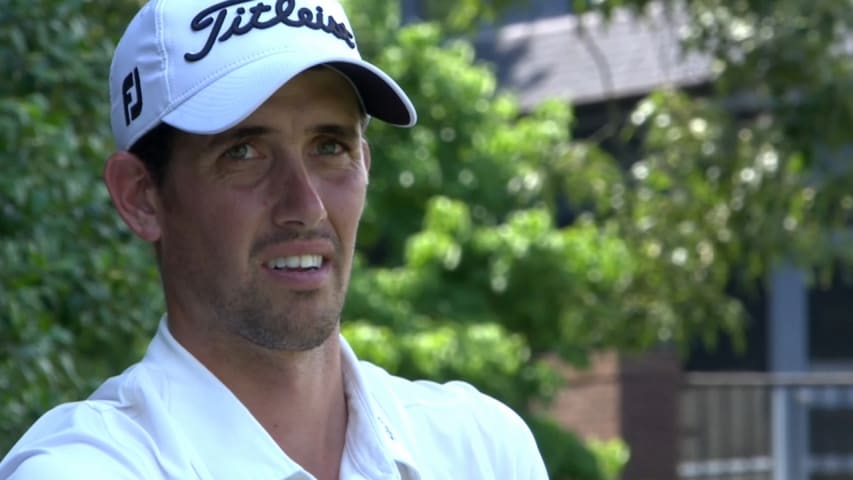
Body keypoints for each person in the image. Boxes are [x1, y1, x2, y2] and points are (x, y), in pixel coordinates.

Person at [0, 0, 549, 478]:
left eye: (330, 146)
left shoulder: (484, 449)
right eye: (243, 152)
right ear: (141, 197)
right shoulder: (85, 467)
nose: (305, 206)